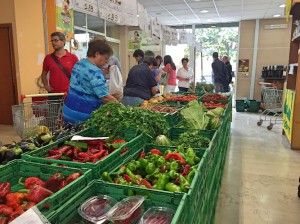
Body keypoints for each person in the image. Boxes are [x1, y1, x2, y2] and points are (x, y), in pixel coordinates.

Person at [63, 38, 118, 124]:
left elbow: (86, 84)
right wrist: (121, 106)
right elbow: (105, 97)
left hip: (68, 111)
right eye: (105, 58)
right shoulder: (94, 71)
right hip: (83, 118)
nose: (106, 62)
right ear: (97, 54)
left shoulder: (79, 64)